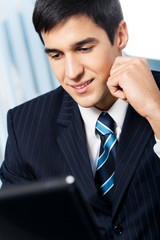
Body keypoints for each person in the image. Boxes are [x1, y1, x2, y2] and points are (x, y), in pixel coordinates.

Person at [0, 0, 160, 239]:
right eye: (56, 55)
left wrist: (155, 111)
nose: (72, 72)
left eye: (84, 49)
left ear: (120, 35)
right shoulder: (24, 124)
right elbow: (15, 229)